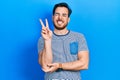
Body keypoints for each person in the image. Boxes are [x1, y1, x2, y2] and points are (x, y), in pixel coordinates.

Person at [38, 2, 89, 80]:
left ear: (68, 19)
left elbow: (84, 64)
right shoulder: (43, 39)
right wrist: (47, 40)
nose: (60, 18)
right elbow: (45, 66)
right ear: (52, 17)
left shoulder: (79, 37)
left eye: (64, 15)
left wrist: (60, 65)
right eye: (57, 14)